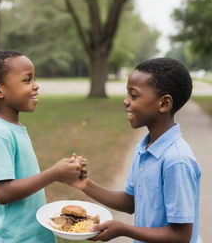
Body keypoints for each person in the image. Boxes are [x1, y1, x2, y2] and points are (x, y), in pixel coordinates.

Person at [73, 58, 201, 243]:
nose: (126, 101)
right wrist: (84, 184)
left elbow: (181, 236)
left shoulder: (176, 160)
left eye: (134, 96)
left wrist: (125, 229)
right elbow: (131, 201)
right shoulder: (145, 147)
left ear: (164, 104)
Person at [0, 50, 86, 243]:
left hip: (31, 235)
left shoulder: (13, 128)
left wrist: (64, 169)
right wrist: (53, 174)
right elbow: (3, 192)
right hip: (10, 238)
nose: (36, 86)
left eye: (34, 78)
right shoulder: (0, 134)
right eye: (27, 80)